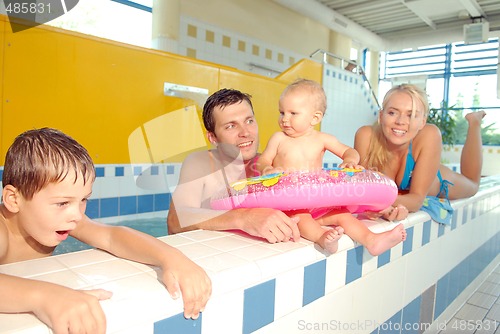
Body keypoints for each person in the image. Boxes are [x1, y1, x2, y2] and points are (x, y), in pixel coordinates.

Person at [0, 128, 211, 334]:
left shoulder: (60, 219)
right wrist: (44, 297)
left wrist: (170, 258)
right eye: (63, 202)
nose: (76, 214)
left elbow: (111, 237)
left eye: (83, 200)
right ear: (13, 199)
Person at [256, 78, 407, 254]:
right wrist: (267, 169)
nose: (284, 119)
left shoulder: (322, 139)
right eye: (282, 112)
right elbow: (263, 160)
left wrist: (350, 161)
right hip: (290, 203)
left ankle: (371, 240)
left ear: (315, 117)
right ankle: (322, 239)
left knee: (342, 214)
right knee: (301, 217)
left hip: (316, 200)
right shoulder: (279, 139)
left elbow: (349, 151)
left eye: (293, 113)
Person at [167, 88, 301, 244]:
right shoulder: (201, 163)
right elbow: (175, 220)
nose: (245, 132)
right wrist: (244, 217)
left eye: (249, 121)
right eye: (231, 126)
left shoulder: (270, 166)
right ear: (213, 137)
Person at [354, 83, 485, 215]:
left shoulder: (430, 134)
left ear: (422, 121)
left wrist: (377, 202)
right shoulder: (366, 136)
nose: (400, 121)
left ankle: (475, 122)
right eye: (392, 112)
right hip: (399, 194)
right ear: (381, 116)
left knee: (473, 185)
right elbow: (361, 191)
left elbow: (416, 201)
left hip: (437, 182)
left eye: (411, 115)